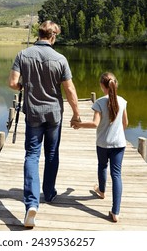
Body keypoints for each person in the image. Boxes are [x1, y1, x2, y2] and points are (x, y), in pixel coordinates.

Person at [8, 20, 80, 228]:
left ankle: (31, 203)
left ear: (39, 34)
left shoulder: (23, 55)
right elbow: (70, 90)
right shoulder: (60, 59)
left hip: (33, 114)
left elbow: (13, 83)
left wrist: (25, 85)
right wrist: (76, 114)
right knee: (51, 154)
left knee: (32, 155)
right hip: (54, 115)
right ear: (53, 36)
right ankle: (49, 193)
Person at [72, 72, 128, 222]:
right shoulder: (122, 101)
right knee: (116, 175)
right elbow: (125, 123)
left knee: (103, 166)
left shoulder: (100, 103)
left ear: (102, 87)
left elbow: (95, 124)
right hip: (119, 144)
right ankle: (116, 212)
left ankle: (102, 191)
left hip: (103, 144)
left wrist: (79, 124)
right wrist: (117, 134)